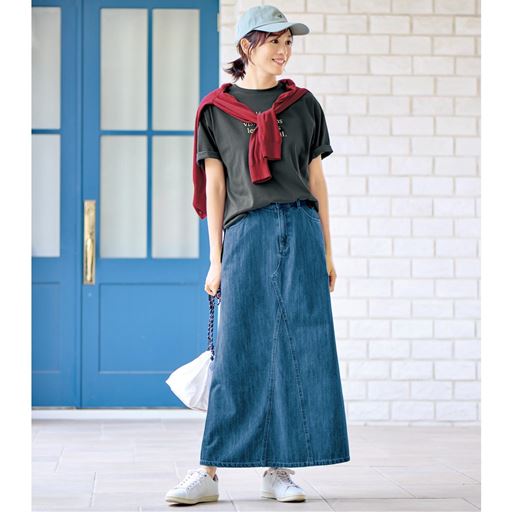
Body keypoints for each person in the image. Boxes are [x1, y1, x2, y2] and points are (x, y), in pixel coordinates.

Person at [165, 4, 350, 506]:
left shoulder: (304, 105)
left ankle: (278, 470)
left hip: (301, 230)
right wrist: (216, 259)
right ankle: (209, 472)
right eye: (275, 42)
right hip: (245, 233)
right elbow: (216, 186)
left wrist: (328, 251)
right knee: (237, 350)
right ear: (247, 45)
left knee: (299, 348)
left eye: (289, 42)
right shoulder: (216, 111)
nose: (284, 51)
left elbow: (316, 181)